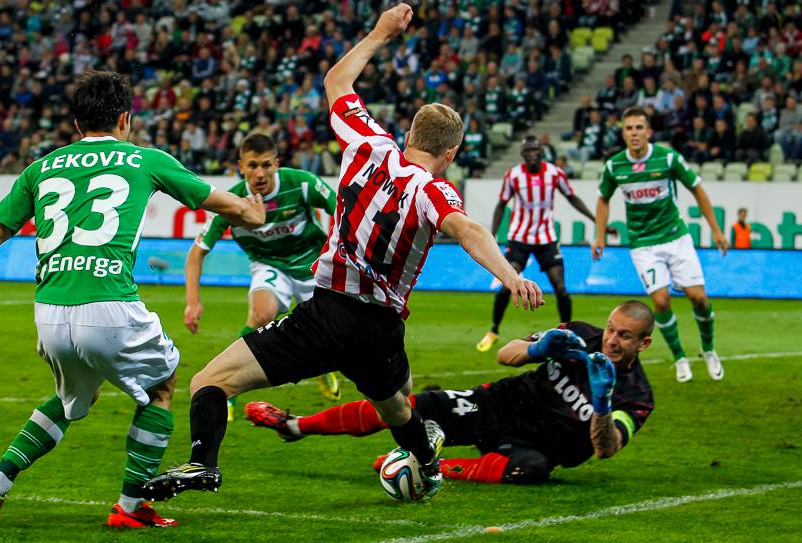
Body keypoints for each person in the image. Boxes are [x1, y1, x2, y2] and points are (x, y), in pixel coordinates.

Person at [142, 4, 543, 504]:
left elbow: (336, 82)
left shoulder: (369, 144)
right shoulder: (434, 190)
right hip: (378, 329)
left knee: (210, 381)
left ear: (410, 134)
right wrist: (509, 275)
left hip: (324, 312)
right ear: (450, 154)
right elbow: (466, 229)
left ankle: (203, 464)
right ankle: (428, 466)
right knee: (397, 408)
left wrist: (380, 33)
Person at [0, 71, 265, 528]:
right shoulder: (145, 159)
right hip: (109, 305)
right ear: (125, 118)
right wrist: (254, 212)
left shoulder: (40, 168)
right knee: (162, 388)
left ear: (76, 123)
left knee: (69, 400)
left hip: (49, 312)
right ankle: (129, 507)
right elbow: (229, 206)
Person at [248, 301, 655, 485]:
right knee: (407, 406)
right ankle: (294, 425)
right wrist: (536, 349)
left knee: (531, 470)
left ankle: (429, 464)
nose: (612, 341)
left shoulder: (636, 396)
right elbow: (505, 354)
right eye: (611, 329)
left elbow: (606, 449)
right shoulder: (582, 334)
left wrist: (602, 404)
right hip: (498, 404)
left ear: (645, 344)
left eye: (625, 336)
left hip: (538, 446)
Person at [185, 133, 342, 418]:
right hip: (269, 265)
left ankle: (324, 369)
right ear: (240, 167)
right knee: (261, 315)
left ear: (277, 164)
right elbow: (196, 253)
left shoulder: (302, 183)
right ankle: (224, 388)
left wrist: (339, 247)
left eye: (267, 165)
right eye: (253, 165)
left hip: (313, 263)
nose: (260, 173)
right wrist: (192, 302)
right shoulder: (230, 202)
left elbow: (342, 210)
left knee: (328, 328)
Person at [592, 106, 729, 383]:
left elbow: (697, 189)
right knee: (661, 301)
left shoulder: (667, 158)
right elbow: (603, 199)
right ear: (623, 133)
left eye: (639, 127)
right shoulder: (614, 165)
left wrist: (716, 230)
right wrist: (600, 235)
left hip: (676, 237)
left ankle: (708, 349)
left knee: (699, 298)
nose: (634, 133)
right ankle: (679, 357)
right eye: (629, 128)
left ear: (648, 131)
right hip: (643, 244)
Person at [476, 135, 615, 353]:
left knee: (560, 287)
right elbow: (501, 205)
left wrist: (600, 225)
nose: (532, 155)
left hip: (546, 238)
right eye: (527, 151)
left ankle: (568, 332)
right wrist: (492, 235)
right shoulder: (513, 176)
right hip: (519, 238)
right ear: (523, 155)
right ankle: (493, 330)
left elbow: (573, 198)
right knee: (506, 285)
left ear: (541, 152)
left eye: (535, 151)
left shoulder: (554, 173)